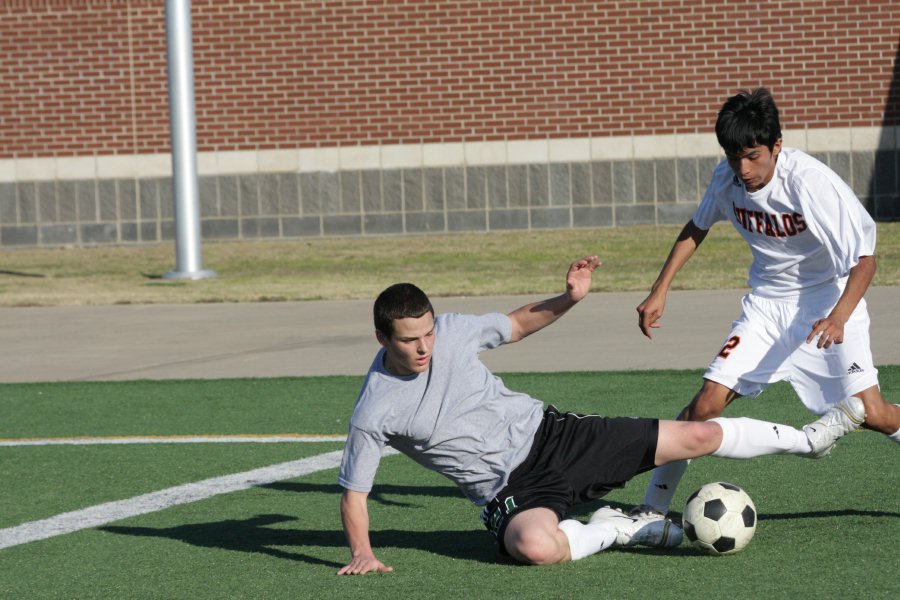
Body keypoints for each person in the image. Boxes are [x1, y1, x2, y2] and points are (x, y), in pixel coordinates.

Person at [336, 255, 863, 574]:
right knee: (536, 547)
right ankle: (614, 529)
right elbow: (355, 494)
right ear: (383, 338)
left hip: (556, 436)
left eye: (428, 332)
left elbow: (516, 324)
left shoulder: (449, 331)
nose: (425, 346)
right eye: (411, 340)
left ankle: (810, 440)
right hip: (509, 492)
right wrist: (362, 552)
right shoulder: (374, 410)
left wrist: (570, 297)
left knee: (697, 434)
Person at [633, 87, 900, 518]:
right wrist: (659, 288)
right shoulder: (728, 178)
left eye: (753, 155)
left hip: (829, 301)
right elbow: (697, 227)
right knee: (704, 406)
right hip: (766, 307)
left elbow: (865, 262)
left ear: (777, 145)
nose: (743, 168)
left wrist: (837, 318)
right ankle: (651, 511)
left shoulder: (811, 184)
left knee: (876, 414)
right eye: (733, 156)